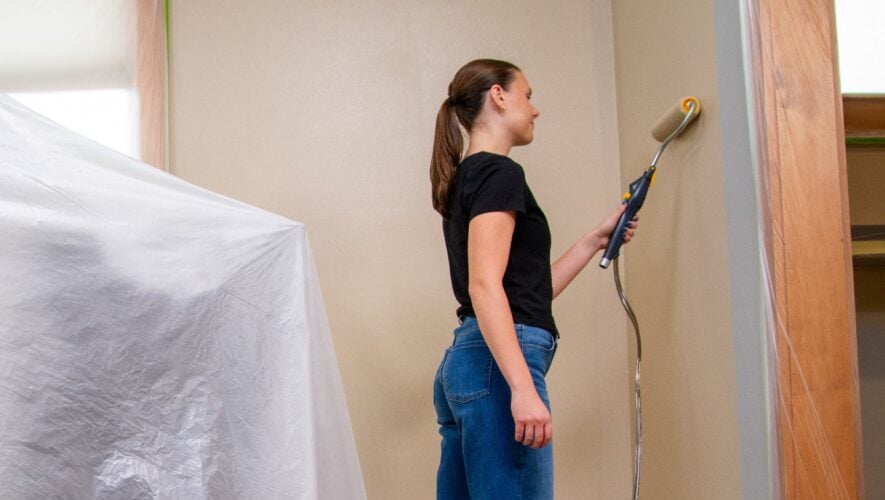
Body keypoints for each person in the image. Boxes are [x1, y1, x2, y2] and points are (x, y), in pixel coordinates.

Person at [430, 59, 637, 499]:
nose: (535, 109)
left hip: (469, 363)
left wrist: (594, 241)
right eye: (527, 95)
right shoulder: (499, 172)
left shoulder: (468, 176)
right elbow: (484, 285)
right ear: (498, 96)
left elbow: (523, 292)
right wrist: (522, 387)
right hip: (496, 367)